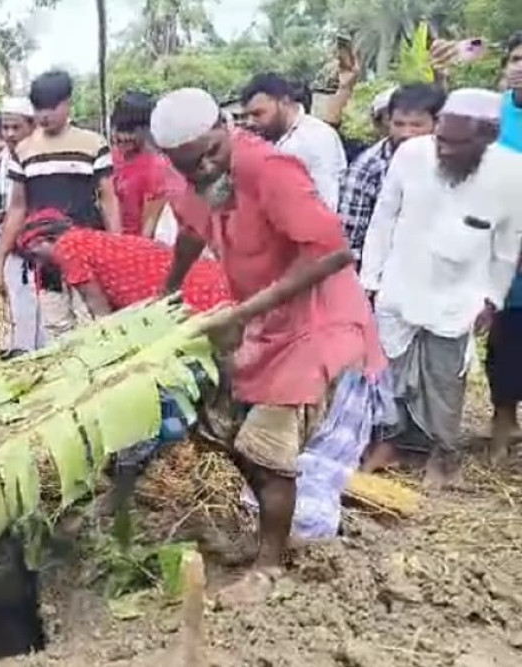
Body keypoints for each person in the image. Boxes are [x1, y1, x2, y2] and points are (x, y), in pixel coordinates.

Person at [150, 88, 384, 605]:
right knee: (224, 428)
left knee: (268, 446)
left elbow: (332, 253)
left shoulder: (272, 170)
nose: (205, 170)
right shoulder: (193, 179)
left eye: (210, 155)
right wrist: (167, 293)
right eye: (189, 167)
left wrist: (244, 313)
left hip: (315, 323)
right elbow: (191, 228)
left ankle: (269, 566)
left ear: (222, 131)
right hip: (261, 324)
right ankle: (264, 534)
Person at [359, 89, 522, 488]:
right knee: (390, 375)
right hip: (399, 281)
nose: (444, 150)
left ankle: (443, 457)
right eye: (441, 139)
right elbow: (383, 218)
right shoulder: (413, 155)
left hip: (459, 293)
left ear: (488, 135)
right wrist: (371, 280)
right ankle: (391, 445)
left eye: (456, 143)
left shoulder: (512, 172)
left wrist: (492, 298)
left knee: (446, 379)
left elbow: (507, 243)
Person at [0, 70, 121, 341]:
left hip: (89, 248)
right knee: (57, 327)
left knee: (94, 324)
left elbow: (108, 197)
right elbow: (17, 207)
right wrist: (0, 258)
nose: (45, 115)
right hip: (44, 254)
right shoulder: (24, 151)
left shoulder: (92, 144)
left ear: (67, 103)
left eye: (52, 107)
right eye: (39, 108)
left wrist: (116, 245)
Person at [15, 208, 231, 318]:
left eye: (33, 252)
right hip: (204, 279)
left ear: (40, 240)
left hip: (186, 294)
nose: (37, 261)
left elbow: (97, 306)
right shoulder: (86, 238)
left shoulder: (67, 248)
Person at [338, 84, 444, 261]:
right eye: (399, 124)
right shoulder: (367, 168)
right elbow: (350, 240)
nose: (406, 133)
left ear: (437, 124)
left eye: (416, 125)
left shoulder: (455, 161)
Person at [0, 97, 44, 356]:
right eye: (5, 128)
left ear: (31, 126)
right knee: (15, 308)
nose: (9, 134)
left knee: (42, 311)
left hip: (39, 248)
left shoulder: (43, 156)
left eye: (15, 127)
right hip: (7, 246)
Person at [488, 33, 522, 466]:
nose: (521, 66)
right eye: (516, 58)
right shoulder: (493, 115)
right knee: (506, 335)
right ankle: (502, 421)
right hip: (501, 245)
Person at [240, 72, 347, 209]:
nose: (250, 122)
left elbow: (326, 203)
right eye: (247, 116)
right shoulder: (270, 137)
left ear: (284, 102)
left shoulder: (316, 137)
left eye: (257, 114)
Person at [110, 91, 171, 238]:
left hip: (133, 248)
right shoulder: (109, 158)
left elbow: (148, 228)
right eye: (120, 129)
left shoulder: (157, 168)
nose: (123, 137)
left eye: (131, 131)